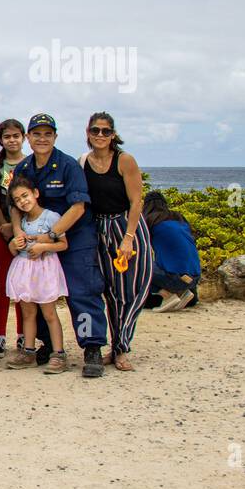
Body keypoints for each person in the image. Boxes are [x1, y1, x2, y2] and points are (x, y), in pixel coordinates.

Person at [8, 113, 108, 378]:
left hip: (74, 237)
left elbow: (78, 207)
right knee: (35, 293)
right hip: (37, 240)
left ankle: (92, 348)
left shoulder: (67, 165)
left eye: (47, 134)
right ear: (28, 138)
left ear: (55, 137)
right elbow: (14, 205)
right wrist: (17, 232)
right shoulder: (24, 168)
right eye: (36, 134)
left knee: (82, 292)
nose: (42, 139)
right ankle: (47, 346)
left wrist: (50, 236)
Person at [83, 112, 154, 371]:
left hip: (125, 226)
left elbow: (137, 201)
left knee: (131, 289)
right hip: (99, 227)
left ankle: (122, 347)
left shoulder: (125, 161)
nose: (100, 135)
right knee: (109, 292)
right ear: (88, 133)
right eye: (95, 130)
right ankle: (114, 346)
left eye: (105, 131)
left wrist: (128, 237)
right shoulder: (84, 162)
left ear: (113, 134)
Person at [3, 176, 70, 373]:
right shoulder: (20, 223)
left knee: (49, 313)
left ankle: (59, 354)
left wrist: (42, 247)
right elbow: (13, 250)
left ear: (36, 193)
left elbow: (63, 244)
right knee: (28, 313)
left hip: (44, 269)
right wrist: (14, 244)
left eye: (25, 195)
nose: (23, 201)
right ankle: (29, 351)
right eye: (17, 199)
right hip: (24, 270)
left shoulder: (51, 217)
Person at [0, 119, 27, 357]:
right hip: (1, 231)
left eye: (16, 136)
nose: (12, 140)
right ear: (1, 139)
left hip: (26, 230)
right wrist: (4, 226)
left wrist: (20, 228)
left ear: (23, 138)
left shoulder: (30, 164)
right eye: (7, 136)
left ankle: (24, 334)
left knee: (23, 283)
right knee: (3, 283)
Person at [142, 191, 201, 311]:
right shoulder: (179, 218)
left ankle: (167, 296)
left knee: (138, 263)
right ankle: (184, 294)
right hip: (195, 277)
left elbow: (140, 248)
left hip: (175, 278)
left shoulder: (149, 220)